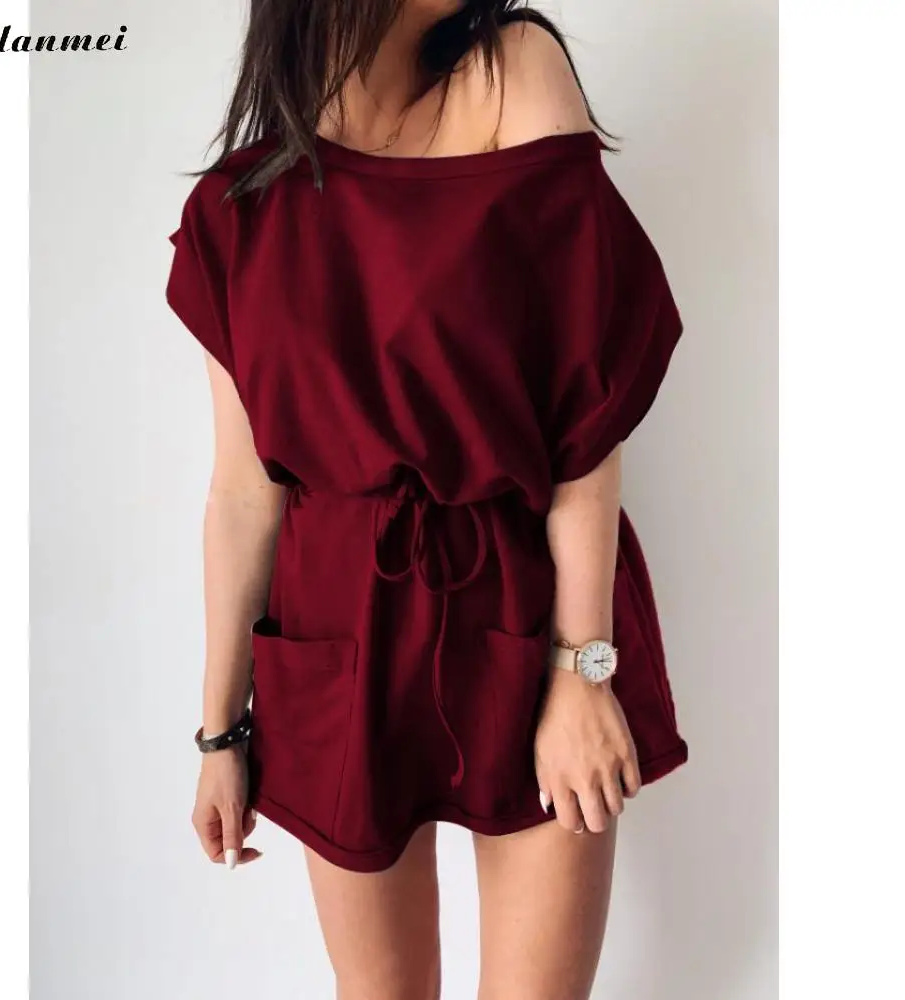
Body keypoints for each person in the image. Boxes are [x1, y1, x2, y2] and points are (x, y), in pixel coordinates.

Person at [165, 2, 689, 997]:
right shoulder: (237, 212)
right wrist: (220, 733)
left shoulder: (514, 69)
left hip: (532, 608)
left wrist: (582, 669)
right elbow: (241, 495)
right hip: (338, 633)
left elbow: (583, 416)